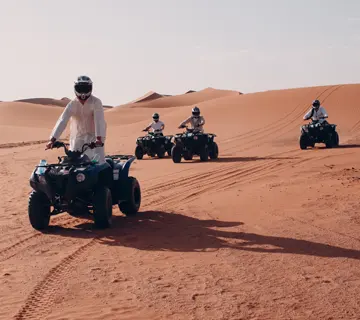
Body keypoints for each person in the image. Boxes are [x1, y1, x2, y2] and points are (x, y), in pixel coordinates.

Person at [46, 75, 107, 163]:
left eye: (85, 88)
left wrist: (98, 139)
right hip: (78, 137)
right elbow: (62, 120)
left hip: (95, 138)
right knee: (74, 161)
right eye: (80, 88)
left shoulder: (96, 102)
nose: (83, 92)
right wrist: (53, 140)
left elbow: (99, 120)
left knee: (98, 162)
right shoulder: (72, 104)